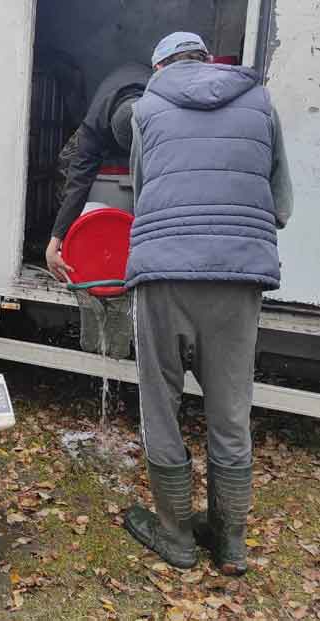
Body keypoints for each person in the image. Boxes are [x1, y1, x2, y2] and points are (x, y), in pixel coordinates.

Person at [122, 32, 292, 574]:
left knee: (161, 405)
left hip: (164, 273)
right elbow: (280, 204)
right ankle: (230, 541)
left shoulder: (145, 109)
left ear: (159, 68)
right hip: (238, 276)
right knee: (231, 410)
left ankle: (175, 536)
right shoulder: (260, 102)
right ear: (206, 60)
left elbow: (143, 191)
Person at [45, 63, 151, 358]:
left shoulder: (163, 111)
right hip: (110, 115)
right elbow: (78, 182)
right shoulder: (95, 124)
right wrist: (56, 240)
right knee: (67, 166)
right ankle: (75, 235)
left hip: (147, 122)